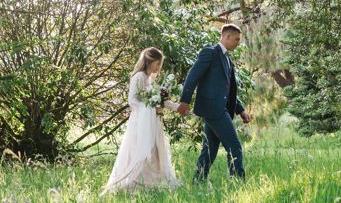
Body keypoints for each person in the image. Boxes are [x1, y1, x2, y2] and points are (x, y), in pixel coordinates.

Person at [177, 23, 251, 181]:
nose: (238, 43)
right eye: (236, 39)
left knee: (210, 150)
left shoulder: (228, 61)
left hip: (219, 109)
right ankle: (238, 181)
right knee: (235, 146)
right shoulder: (210, 52)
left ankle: (198, 181)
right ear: (227, 36)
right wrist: (185, 100)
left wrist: (241, 110)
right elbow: (192, 76)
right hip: (213, 110)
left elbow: (228, 92)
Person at [103, 47, 180, 193]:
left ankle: (150, 183)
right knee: (139, 150)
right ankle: (130, 183)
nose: (159, 68)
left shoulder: (149, 79)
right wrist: (151, 109)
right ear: (150, 62)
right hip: (140, 122)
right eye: (157, 64)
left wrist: (177, 107)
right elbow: (132, 101)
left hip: (152, 121)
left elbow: (159, 100)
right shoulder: (138, 77)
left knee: (154, 150)